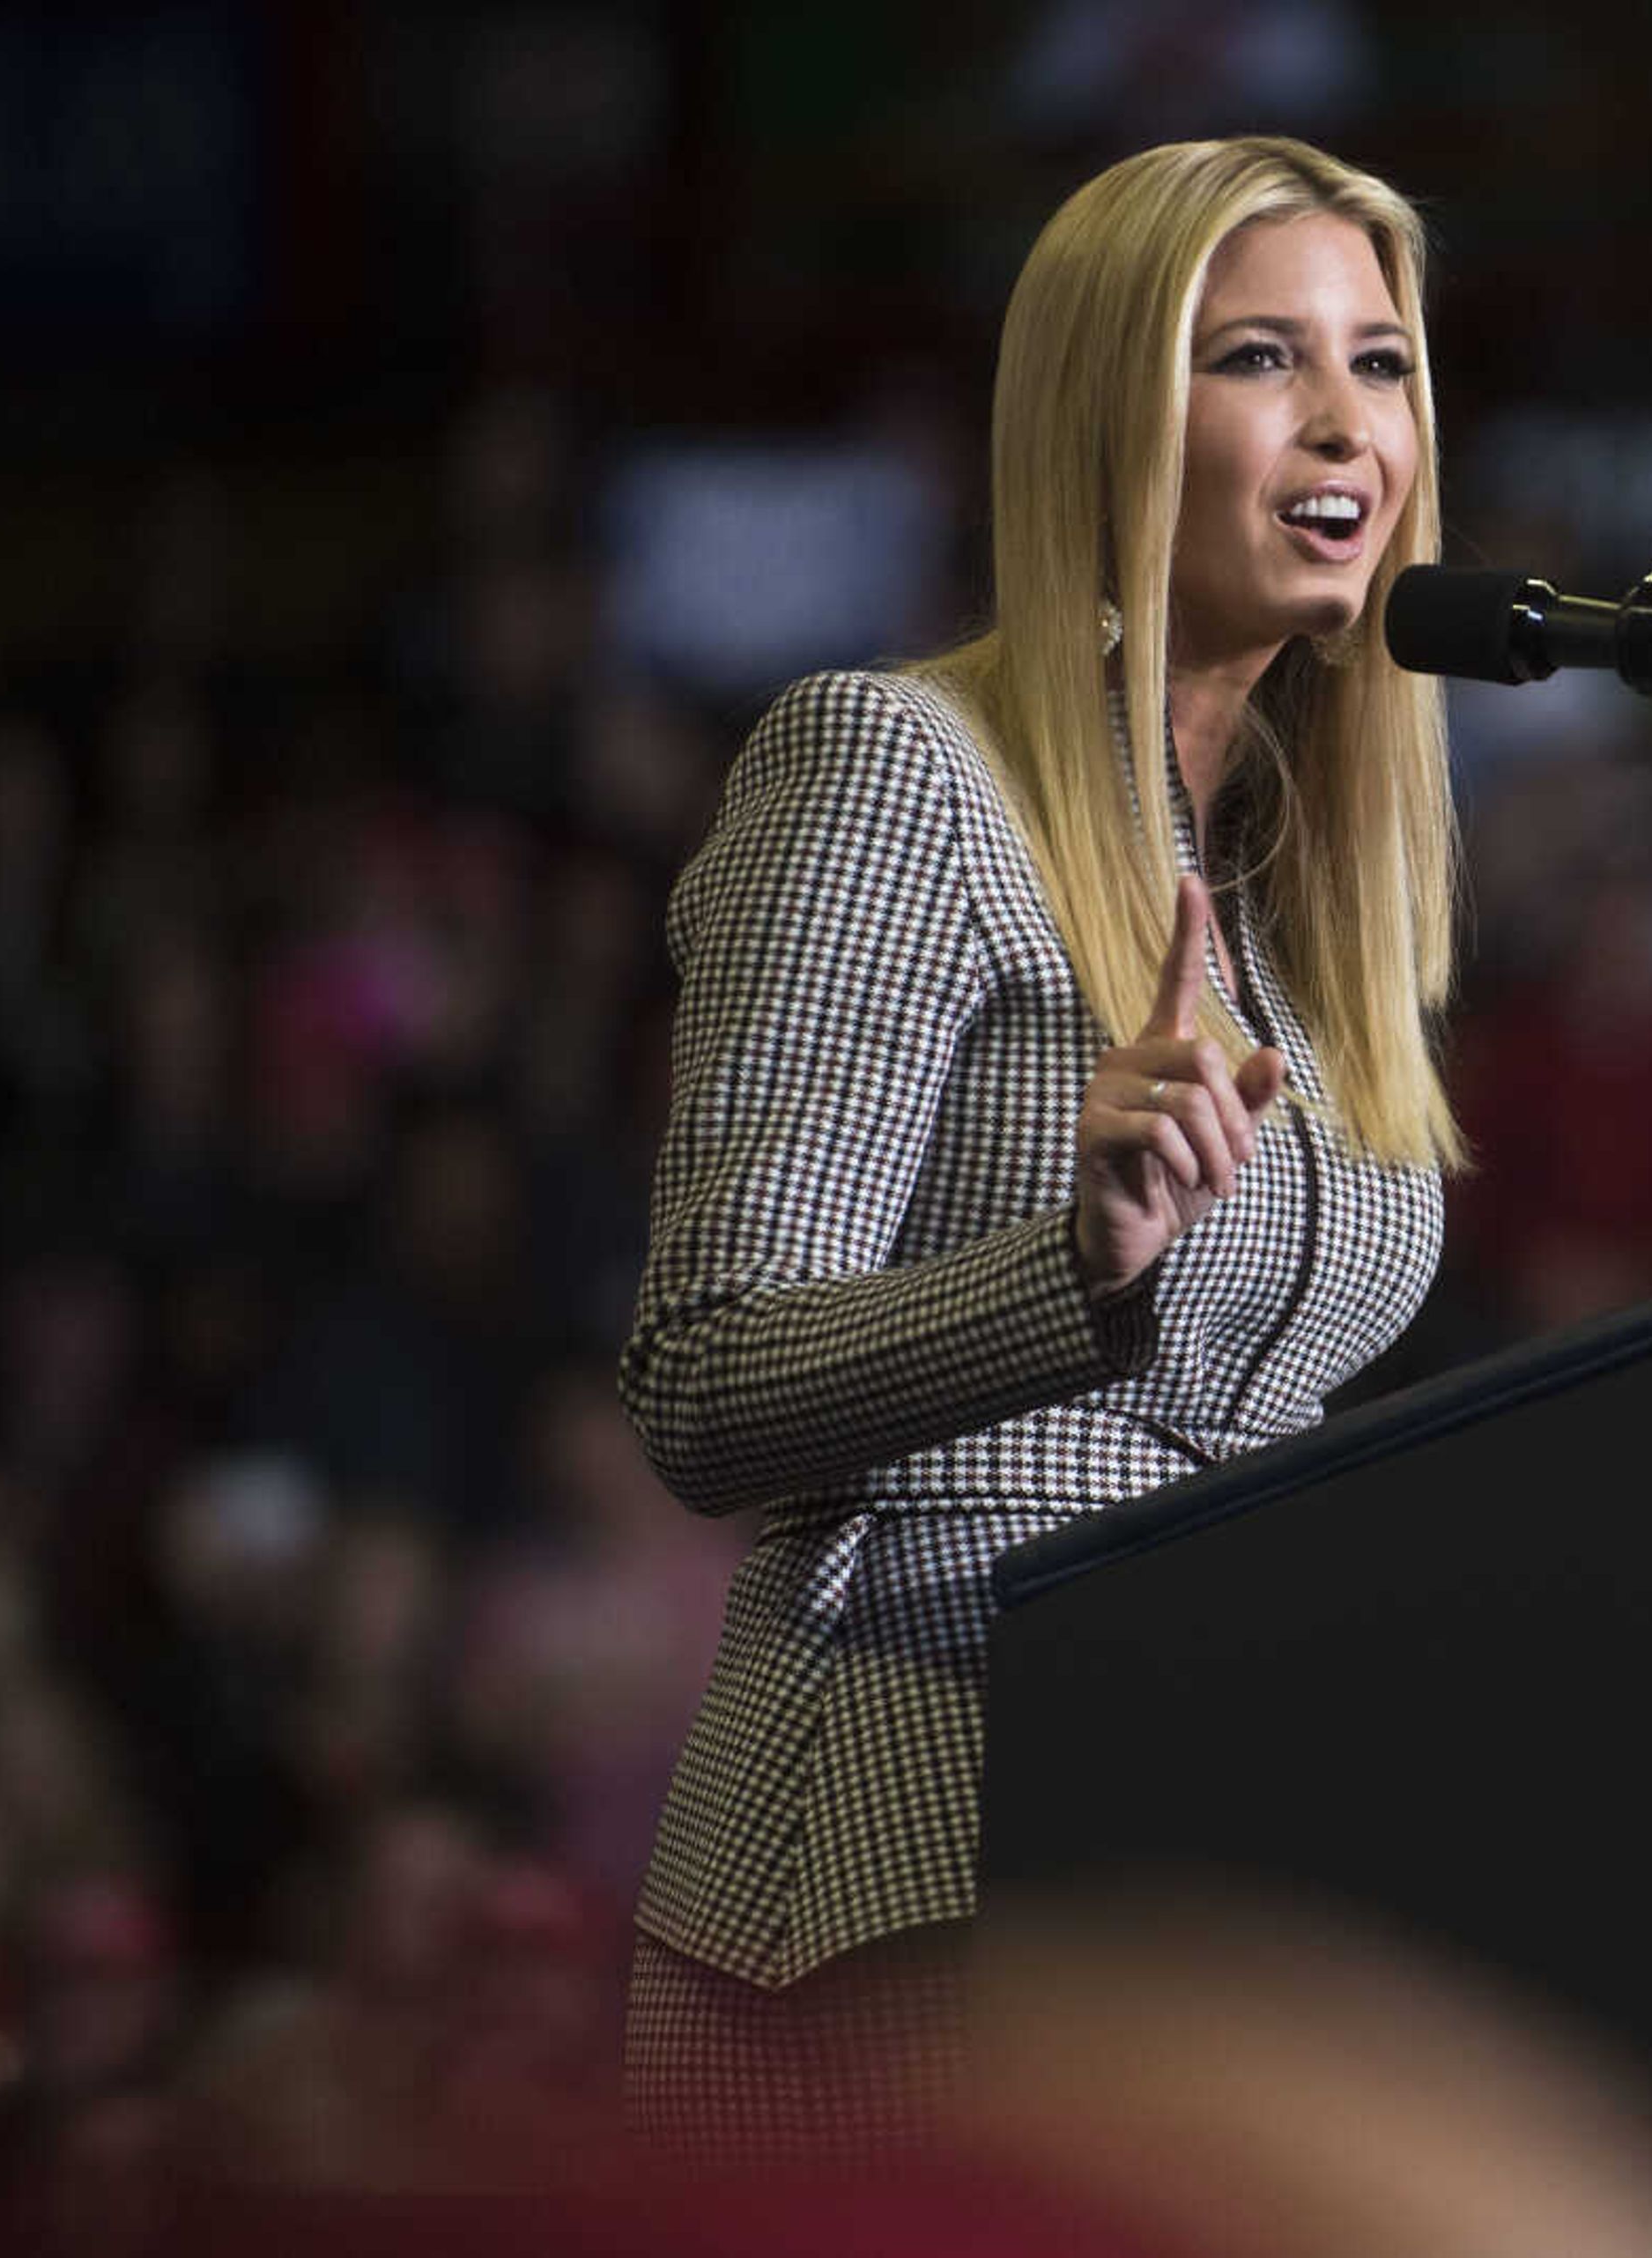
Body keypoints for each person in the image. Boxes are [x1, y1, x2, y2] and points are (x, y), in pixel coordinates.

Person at [612, 136, 1464, 2163]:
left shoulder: (1305, 882)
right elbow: (704, 1376)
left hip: (1225, 1864)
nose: (1350, 419)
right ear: (1107, 406)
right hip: (914, 1854)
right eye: (1261, 355)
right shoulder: (900, 770)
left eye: (1386, 360)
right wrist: (1068, 1275)